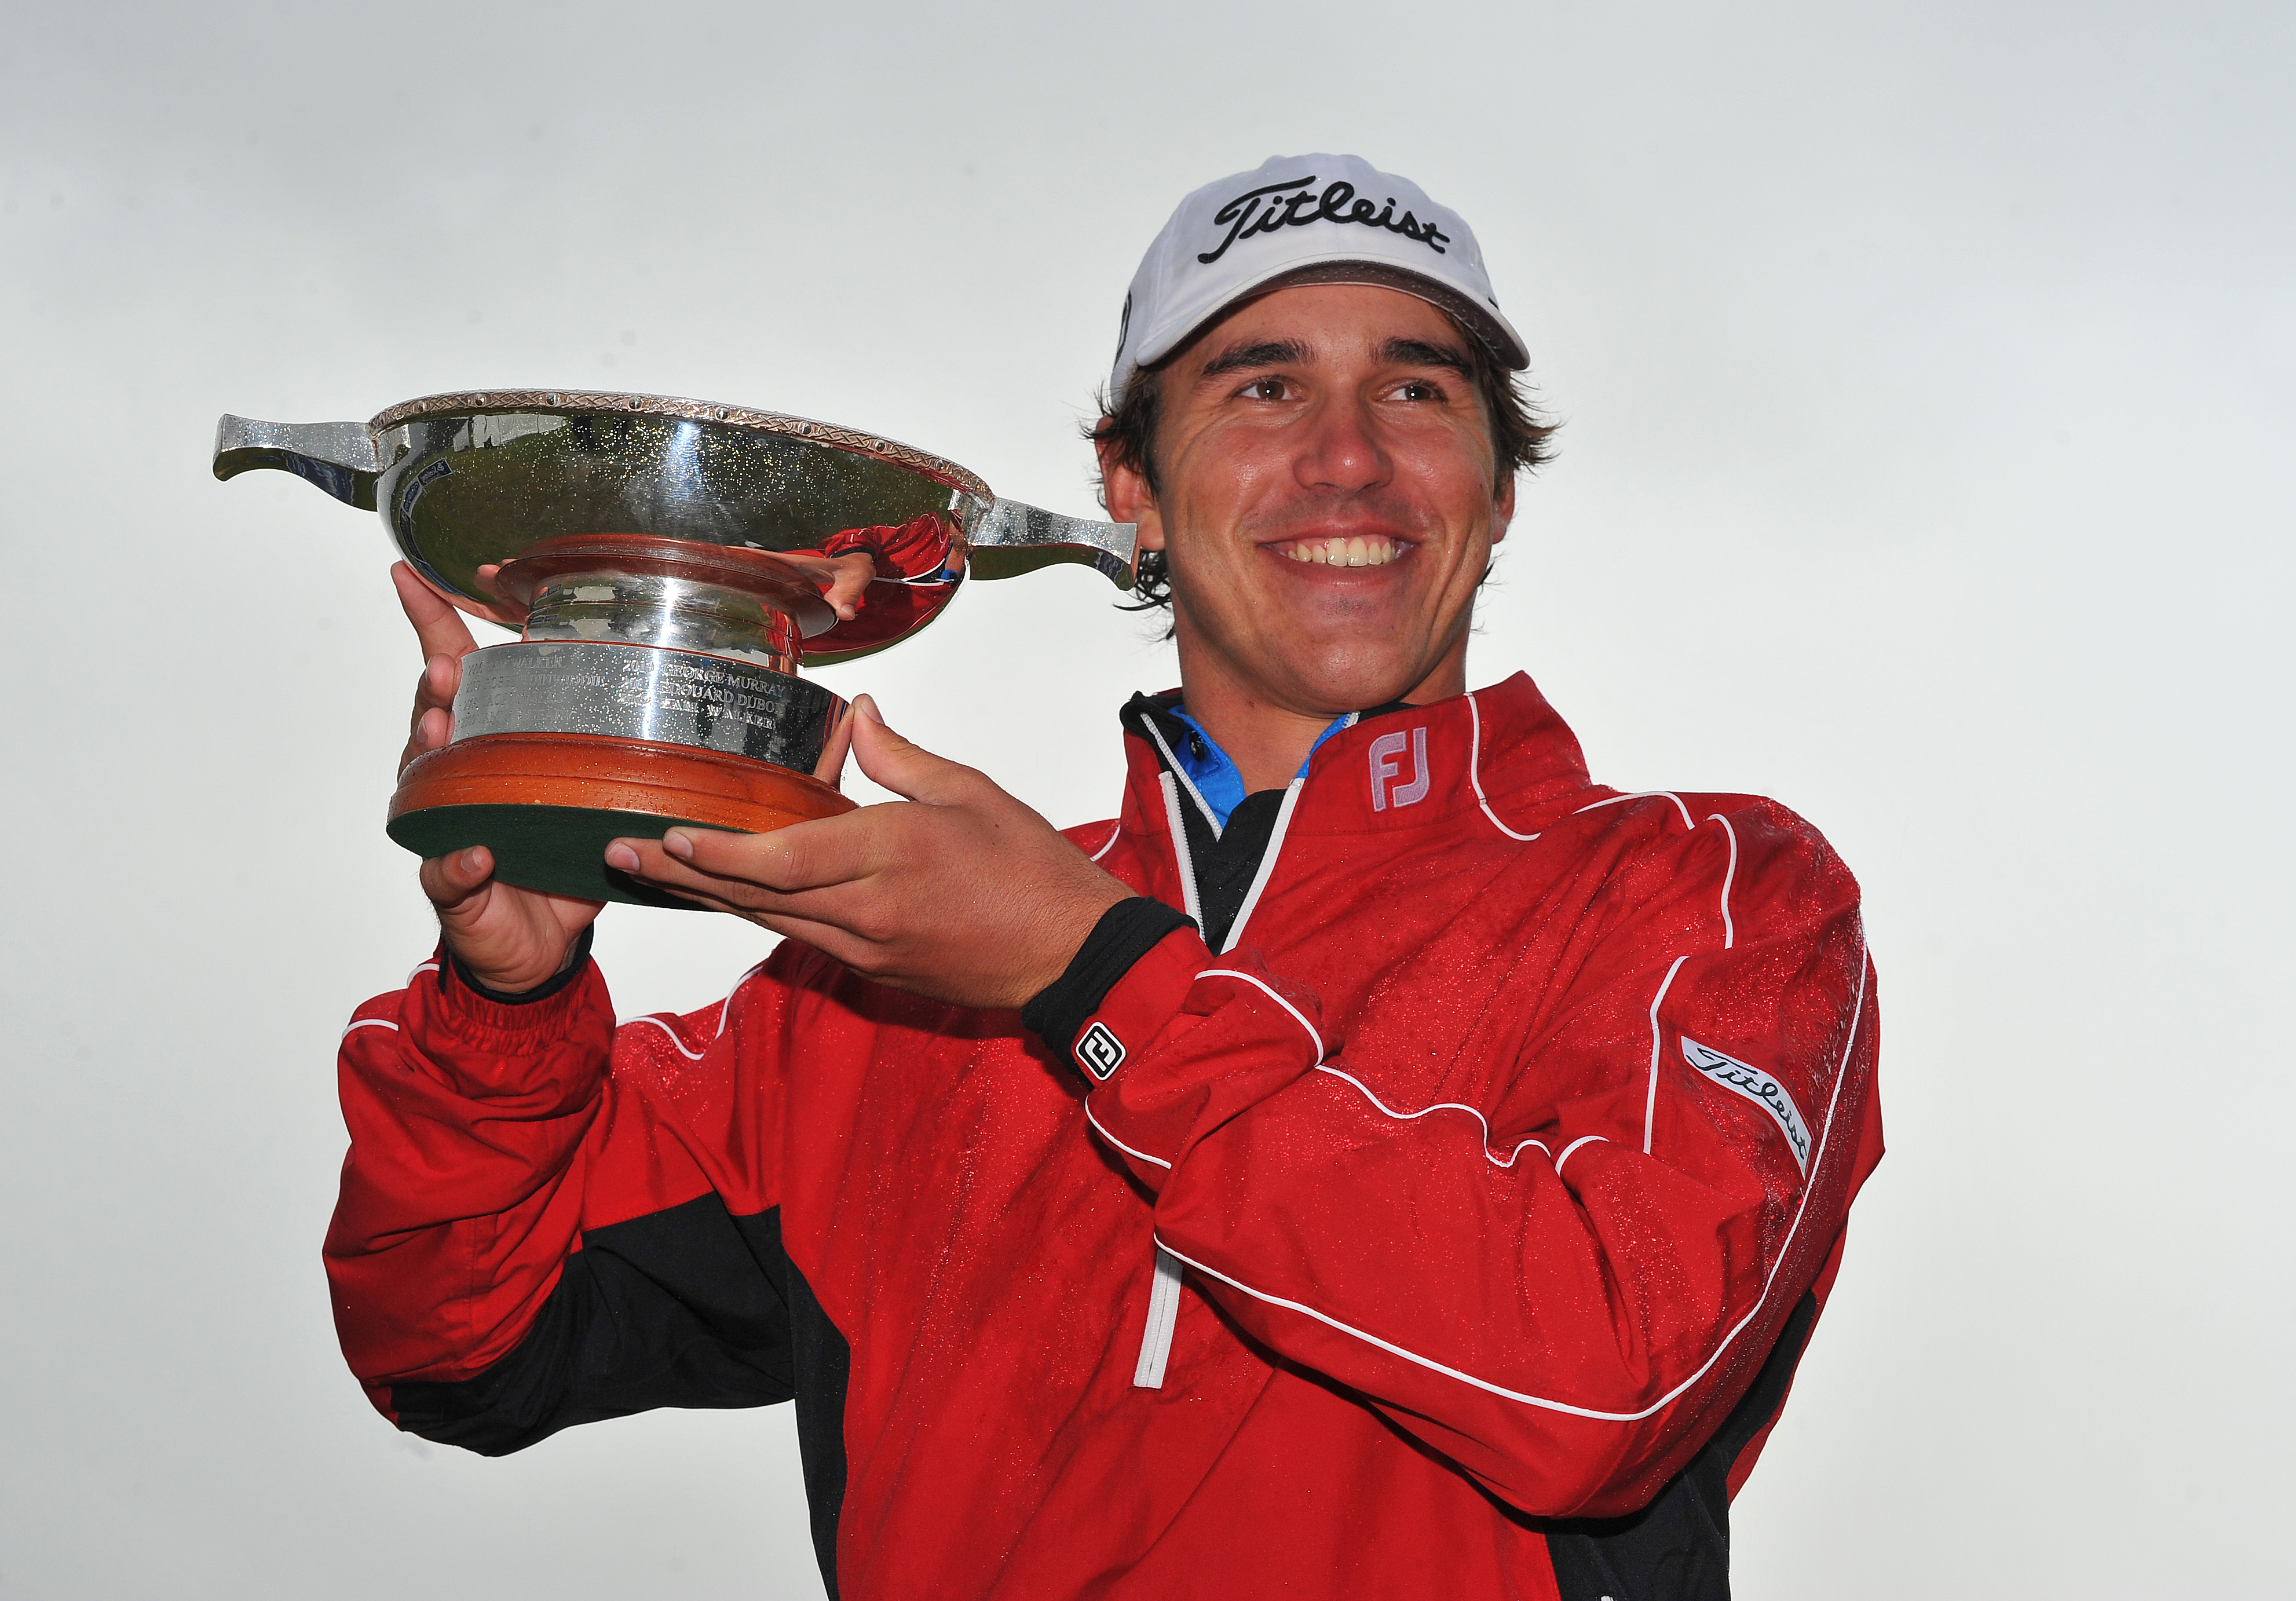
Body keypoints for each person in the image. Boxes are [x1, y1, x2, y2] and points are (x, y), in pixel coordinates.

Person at [330, 154, 1883, 1600]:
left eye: (1416, 388)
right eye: (1260, 385)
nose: (1347, 458)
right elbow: (460, 1347)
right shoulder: (877, 993)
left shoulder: (1710, 893)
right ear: (1127, 487)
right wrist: (507, 1001)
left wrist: (1089, 975)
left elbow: (1604, 1380)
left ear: (1498, 489)